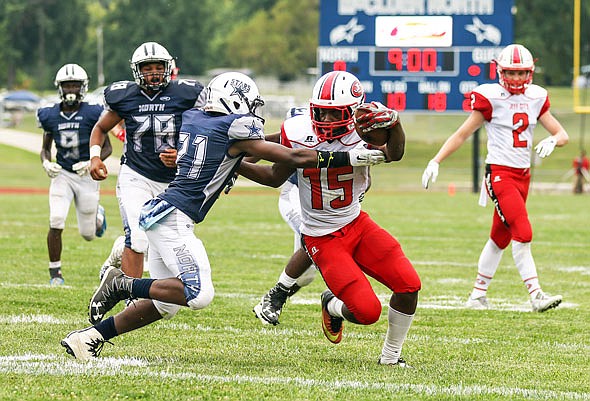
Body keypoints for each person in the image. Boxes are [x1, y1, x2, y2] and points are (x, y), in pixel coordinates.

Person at [60, 71, 386, 361]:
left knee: (165, 304)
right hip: (173, 219)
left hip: (162, 214)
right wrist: (350, 155)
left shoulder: (196, 119)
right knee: (199, 294)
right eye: (248, 103)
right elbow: (292, 156)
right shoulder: (233, 127)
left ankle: (89, 337)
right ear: (234, 101)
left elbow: (269, 173)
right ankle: (121, 283)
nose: (252, 111)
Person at [240, 71, 420, 367]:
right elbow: (274, 177)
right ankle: (332, 306)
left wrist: (395, 123)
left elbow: (395, 153)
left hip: (357, 224)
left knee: (409, 285)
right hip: (321, 237)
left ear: (353, 112)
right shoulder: (298, 130)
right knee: (366, 312)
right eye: (320, 111)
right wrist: (236, 166)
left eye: (333, 113)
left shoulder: (364, 131)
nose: (324, 119)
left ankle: (390, 357)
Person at [421, 44, 569, 312]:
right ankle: (535, 295)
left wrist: (554, 140)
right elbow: (462, 134)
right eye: (510, 73)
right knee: (523, 232)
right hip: (500, 174)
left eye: (521, 73)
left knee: (499, 238)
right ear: (500, 71)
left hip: (523, 176)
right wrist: (436, 160)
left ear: (530, 72)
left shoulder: (536, 97)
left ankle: (477, 296)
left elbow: (562, 134)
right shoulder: (491, 97)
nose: (515, 79)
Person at [88, 42, 205, 280]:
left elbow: (204, 131)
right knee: (139, 239)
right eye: (146, 67)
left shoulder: (186, 94)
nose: (153, 72)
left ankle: (120, 252)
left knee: (165, 237)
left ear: (167, 67)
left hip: (175, 180)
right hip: (136, 174)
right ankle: (132, 299)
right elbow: (100, 127)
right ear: (136, 71)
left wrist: (182, 154)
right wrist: (94, 157)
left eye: (157, 66)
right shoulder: (125, 96)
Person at [38, 63, 112, 285]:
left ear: (83, 87)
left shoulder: (93, 112)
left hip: (86, 176)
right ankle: (55, 274)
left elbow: (107, 148)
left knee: (88, 234)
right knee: (56, 219)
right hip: (63, 174)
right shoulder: (49, 114)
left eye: (75, 85)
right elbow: (45, 147)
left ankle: (98, 216)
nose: (71, 89)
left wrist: (91, 162)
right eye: (67, 85)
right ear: (60, 87)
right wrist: (45, 162)